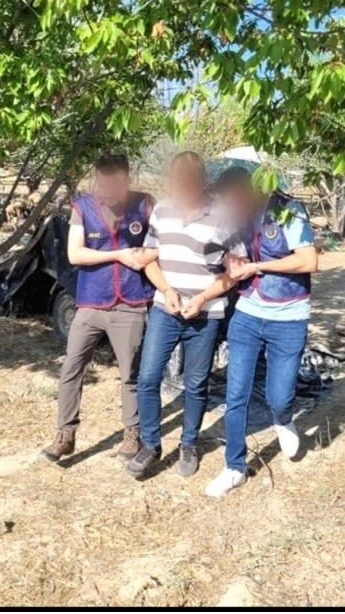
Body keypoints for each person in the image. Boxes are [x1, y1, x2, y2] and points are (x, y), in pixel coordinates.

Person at [126, 151, 247, 479]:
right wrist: (167, 290)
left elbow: (236, 272)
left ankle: (189, 443)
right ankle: (150, 445)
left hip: (205, 315)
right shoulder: (162, 210)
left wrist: (203, 297)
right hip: (165, 310)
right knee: (148, 378)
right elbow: (150, 259)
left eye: (191, 179)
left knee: (195, 384)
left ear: (201, 179)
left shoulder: (222, 215)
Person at [205, 167, 318, 496]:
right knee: (236, 395)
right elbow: (219, 249)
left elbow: (308, 260)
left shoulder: (288, 209)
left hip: (289, 317)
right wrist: (230, 258)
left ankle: (283, 418)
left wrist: (259, 266)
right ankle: (234, 467)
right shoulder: (235, 217)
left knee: (279, 397)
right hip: (247, 315)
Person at [41, 154, 158, 463]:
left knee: (130, 373)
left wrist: (147, 256)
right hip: (91, 301)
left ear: (127, 181)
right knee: (71, 368)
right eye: (101, 185)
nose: (106, 192)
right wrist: (118, 255)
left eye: (113, 186)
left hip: (131, 302)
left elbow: (160, 245)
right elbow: (76, 254)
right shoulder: (83, 207)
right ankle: (65, 433)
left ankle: (132, 433)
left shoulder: (146, 205)